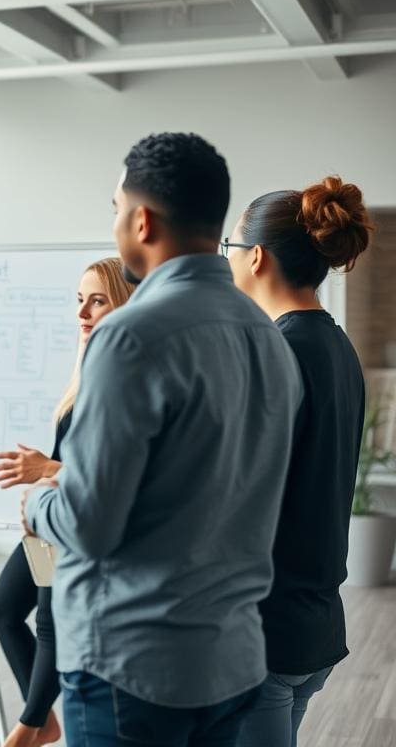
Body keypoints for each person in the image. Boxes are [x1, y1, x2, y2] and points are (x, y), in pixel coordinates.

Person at [23, 132, 303, 746]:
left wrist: (38, 500)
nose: (118, 222)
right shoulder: (268, 336)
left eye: (117, 208)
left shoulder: (130, 336)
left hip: (132, 664)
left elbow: (90, 524)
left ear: (142, 219)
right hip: (231, 659)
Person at [226, 177, 373, 747]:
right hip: (311, 623)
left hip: (264, 632)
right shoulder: (336, 346)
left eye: (229, 248)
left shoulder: (275, 353)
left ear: (255, 257)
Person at [0, 257, 134, 747]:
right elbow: (69, 456)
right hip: (47, 522)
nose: (83, 313)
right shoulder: (87, 368)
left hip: (73, 524)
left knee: (50, 623)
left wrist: (43, 472)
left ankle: (29, 727)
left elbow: (116, 478)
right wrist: (40, 480)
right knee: (4, 610)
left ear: (125, 305)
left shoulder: (124, 377)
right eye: (79, 301)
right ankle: (43, 721)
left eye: (98, 300)